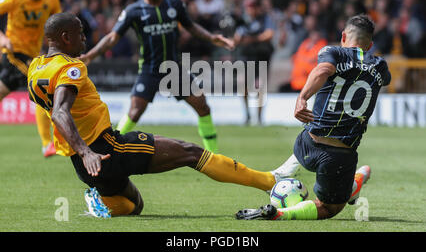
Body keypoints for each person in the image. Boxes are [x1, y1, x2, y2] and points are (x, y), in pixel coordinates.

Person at [27, 12, 290, 217]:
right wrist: (87, 151)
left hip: (83, 165)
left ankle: (103, 203)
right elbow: (60, 111)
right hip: (105, 150)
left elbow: (47, 107)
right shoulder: (71, 67)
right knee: (191, 152)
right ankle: (269, 180)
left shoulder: (36, 68)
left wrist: (80, 153)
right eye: (80, 33)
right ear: (65, 37)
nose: (84, 38)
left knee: (135, 205)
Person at [236, 14, 391, 220]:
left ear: (343, 36)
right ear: (370, 44)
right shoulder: (380, 65)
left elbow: (323, 70)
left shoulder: (332, 51)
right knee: (330, 208)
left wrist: (302, 98)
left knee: (313, 130)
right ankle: (280, 213)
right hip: (339, 157)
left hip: (307, 144)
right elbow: (384, 80)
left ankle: (284, 174)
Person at [80, 0, 234, 154]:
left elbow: (191, 26)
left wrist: (211, 37)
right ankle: (110, 150)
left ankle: (215, 155)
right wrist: (90, 55)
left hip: (174, 69)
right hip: (149, 69)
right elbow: (113, 37)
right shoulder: (134, 10)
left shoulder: (175, 4)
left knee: (202, 105)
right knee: (135, 112)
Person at [0, 0, 62, 157]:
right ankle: (47, 144)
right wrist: (2, 38)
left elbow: (58, 25)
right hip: (12, 54)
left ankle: (48, 143)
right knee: (41, 88)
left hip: (34, 55)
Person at [234, 0, 275, 125]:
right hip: (247, 56)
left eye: (251, 8)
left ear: (257, 8)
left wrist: (252, 39)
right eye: (247, 8)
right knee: (242, 85)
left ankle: (259, 118)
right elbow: (236, 38)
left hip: (261, 57)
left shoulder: (265, 19)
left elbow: (269, 34)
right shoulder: (243, 21)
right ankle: (246, 114)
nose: (249, 11)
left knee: (260, 87)